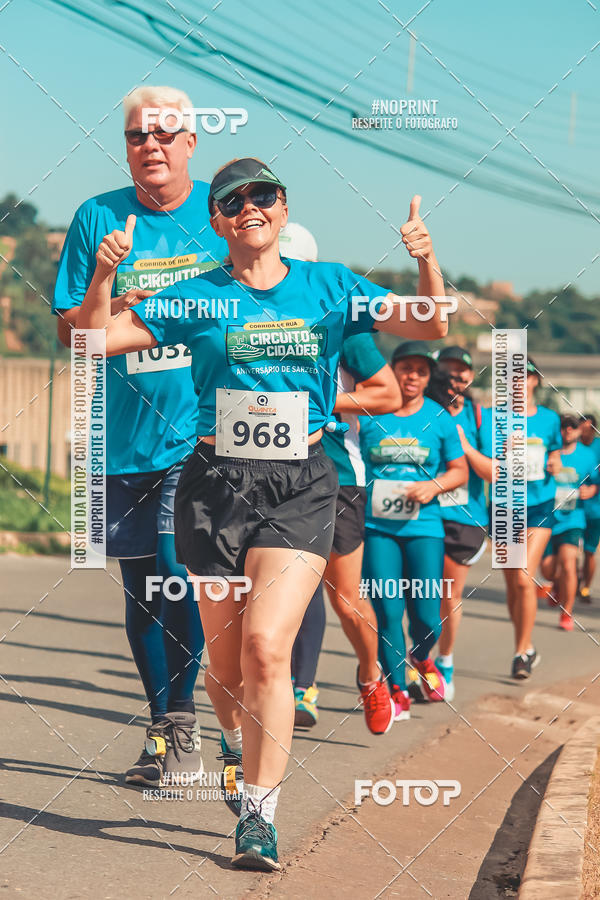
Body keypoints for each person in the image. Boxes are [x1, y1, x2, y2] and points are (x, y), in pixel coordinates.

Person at [75, 156, 447, 870]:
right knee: (224, 669)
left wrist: (427, 262)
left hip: (301, 482)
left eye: (264, 195)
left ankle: (258, 815)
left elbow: (426, 321)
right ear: (217, 221)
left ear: (283, 208)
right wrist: (101, 276)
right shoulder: (194, 296)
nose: (251, 205)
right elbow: (95, 338)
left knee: (266, 651)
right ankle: (233, 741)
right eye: (233, 200)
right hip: (214, 485)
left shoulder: (329, 285)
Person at [53, 86, 226, 786]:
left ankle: (184, 723)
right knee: (142, 590)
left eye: (163, 133)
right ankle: (165, 730)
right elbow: (74, 332)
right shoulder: (98, 217)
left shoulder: (225, 211)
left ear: (190, 141)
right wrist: (104, 280)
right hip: (119, 436)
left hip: (202, 435)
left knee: (175, 574)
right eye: (135, 136)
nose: (149, 145)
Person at [284, 226, 403, 735]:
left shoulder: (341, 324)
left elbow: (388, 395)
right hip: (267, 468)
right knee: (287, 589)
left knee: (344, 597)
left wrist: (319, 404)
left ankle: (370, 674)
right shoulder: (240, 313)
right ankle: (296, 688)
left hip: (336, 472)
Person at [360, 343, 468, 719]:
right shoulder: (371, 414)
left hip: (425, 527)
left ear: (427, 377)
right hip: (377, 529)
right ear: (393, 370)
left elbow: (459, 471)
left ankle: (420, 657)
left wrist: (434, 486)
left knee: (425, 615)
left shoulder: (438, 418)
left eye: (420, 371)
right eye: (405, 368)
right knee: (387, 610)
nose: (412, 377)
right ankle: (395, 691)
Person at [426, 346, 494, 701]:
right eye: (448, 370)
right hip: (422, 512)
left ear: (470, 376)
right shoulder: (419, 408)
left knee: (448, 596)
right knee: (416, 594)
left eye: (462, 371)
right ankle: (417, 660)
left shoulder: (479, 415)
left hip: (464, 517)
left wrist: (462, 443)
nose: (457, 377)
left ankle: (445, 662)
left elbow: (493, 472)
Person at [490, 358, 561, 679]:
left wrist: (554, 464)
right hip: (505, 505)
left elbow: (555, 452)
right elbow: (482, 461)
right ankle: (527, 647)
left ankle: (521, 652)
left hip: (539, 505)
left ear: (535, 381)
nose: (519, 382)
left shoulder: (549, 419)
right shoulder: (492, 418)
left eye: (525, 376)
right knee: (511, 584)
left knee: (523, 578)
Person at [539, 415, 598, 629]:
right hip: (546, 517)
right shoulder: (547, 452)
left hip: (573, 519)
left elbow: (596, 482)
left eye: (572, 427)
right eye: (564, 427)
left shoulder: (587, 456)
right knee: (547, 570)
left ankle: (567, 613)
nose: (568, 431)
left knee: (569, 563)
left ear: (578, 431)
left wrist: (592, 489)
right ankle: (556, 584)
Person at [577, 413, 600, 602]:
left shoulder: (598, 447)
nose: (584, 433)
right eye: (581, 428)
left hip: (595, 510)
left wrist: (595, 488)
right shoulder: (571, 446)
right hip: (573, 509)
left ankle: (585, 588)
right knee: (570, 549)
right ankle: (573, 579)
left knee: (589, 551)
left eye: (588, 429)